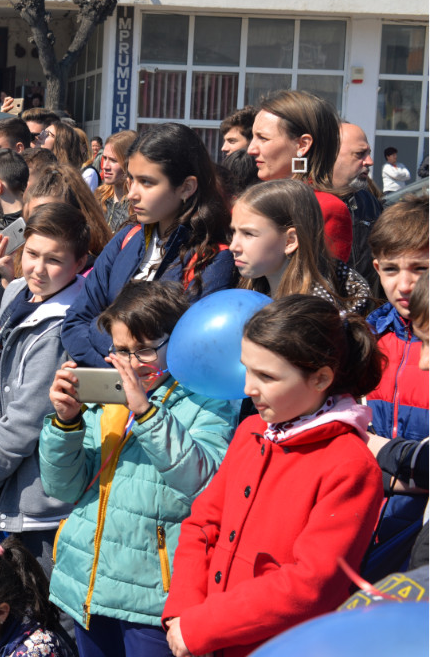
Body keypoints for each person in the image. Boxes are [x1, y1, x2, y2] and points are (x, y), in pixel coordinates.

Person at [161, 296, 385, 657]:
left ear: (321, 378)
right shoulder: (252, 430)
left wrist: (204, 624)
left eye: (266, 376)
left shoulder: (349, 464)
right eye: (247, 369)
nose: (249, 388)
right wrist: (185, 613)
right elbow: (202, 525)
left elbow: (311, 585)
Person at [42, 281, 237, 657]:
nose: (132, 363)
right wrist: (66, 423)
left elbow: (204, 484)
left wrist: (147, 414)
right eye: (121, 351)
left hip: (152, 597)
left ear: (177, 341)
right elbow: (63, 486)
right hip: (87, 584)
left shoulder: (208, 399)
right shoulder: (107, 397)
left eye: (145, 350)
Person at [0, 203, 89, 578]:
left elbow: (28, 418)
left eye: (54, 260)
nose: (38, 268)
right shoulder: (16, 291)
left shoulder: (64, 325)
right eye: (32, 254)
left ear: (80, 263)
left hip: (39, 498)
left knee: (40, 604)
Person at [61, 123, 234, 368]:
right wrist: (123, 363)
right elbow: (74, 322)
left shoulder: (213, 258)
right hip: (106, 400)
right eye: (131, 179)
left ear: (186, 187)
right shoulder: (127, 237)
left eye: (147, 182)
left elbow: (186, 350)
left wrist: (101, 331)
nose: (132, 193)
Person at [362, 194, 429, 578]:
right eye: (390, 269)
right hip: (363, 528)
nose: (403, 285)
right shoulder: (364, 338)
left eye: (419, 267)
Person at [229, 179, 370, 314]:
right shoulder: (254, 288)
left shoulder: (311, 317)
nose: (233, 247)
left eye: (248, 234)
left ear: (290, 241)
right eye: (234, 232)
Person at [245, 90, 352, 262]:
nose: (251, 149)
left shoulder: (325, 208)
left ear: (302, 145)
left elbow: (322, 283)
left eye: (263, 138)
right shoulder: (249, 201)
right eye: (252, 137)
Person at [333, 122, 382, 292]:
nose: (369, 161)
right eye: (360, 154)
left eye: (368, 153)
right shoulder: (300, 201)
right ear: (328, 155)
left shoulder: (369, 201)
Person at [95, 131, 136, 233]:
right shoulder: (99, 196)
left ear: (129, 163)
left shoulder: (138, 205)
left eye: (113, 160)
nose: (105, 166)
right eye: (105, 158)